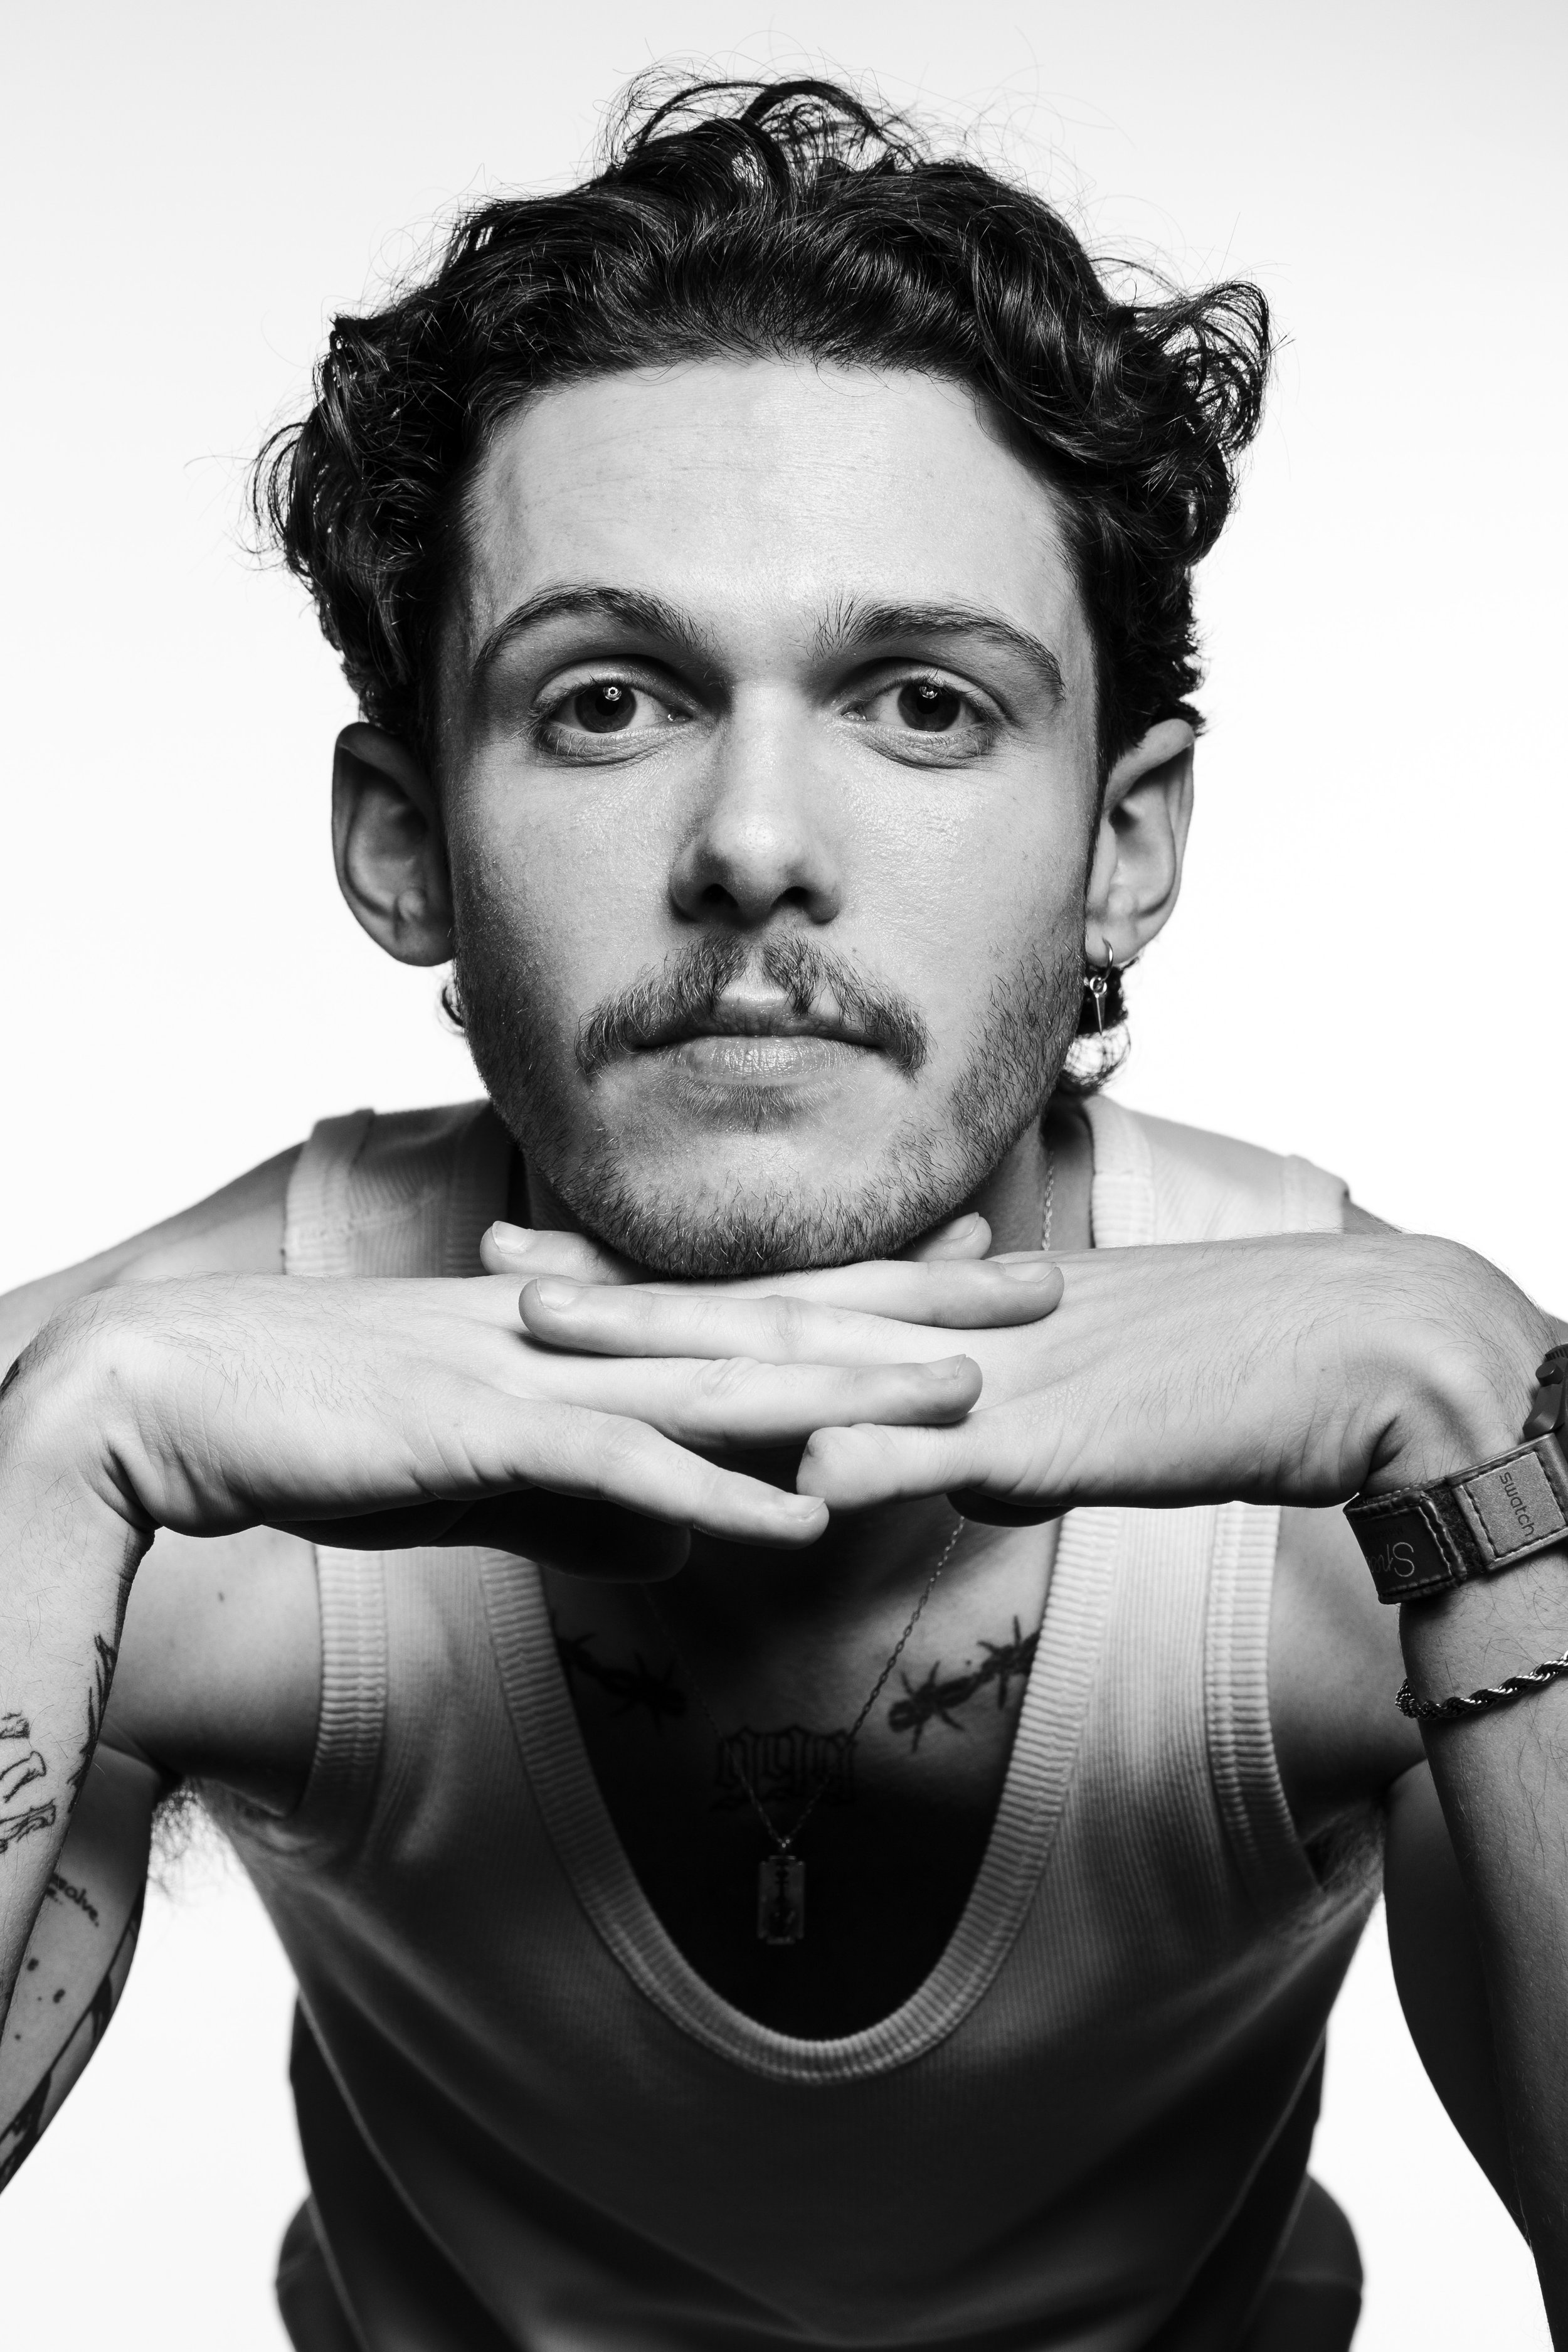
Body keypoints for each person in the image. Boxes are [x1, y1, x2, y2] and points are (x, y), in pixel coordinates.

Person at [1, 73, 1565, 2352]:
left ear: (1124, 843)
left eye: (919, 703)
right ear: (405, 843)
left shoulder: (1413, 1470)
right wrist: (55, 1463)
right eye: (605, 701)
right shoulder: (144, 1418)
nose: (752, 844)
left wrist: (1478, 1423)